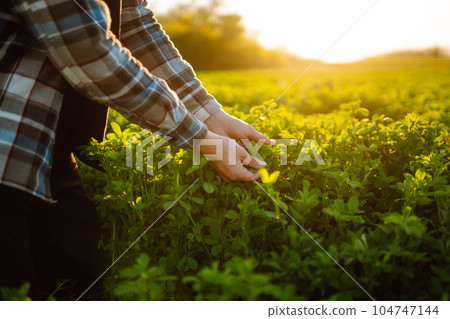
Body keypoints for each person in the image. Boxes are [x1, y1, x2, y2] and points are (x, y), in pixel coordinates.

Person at [0, 0, 273, 300]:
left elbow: (132, 23)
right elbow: (88, 51)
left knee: (83, 279)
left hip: (47, 150)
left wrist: (210, 115)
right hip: (7, 146)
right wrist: (198, 136)